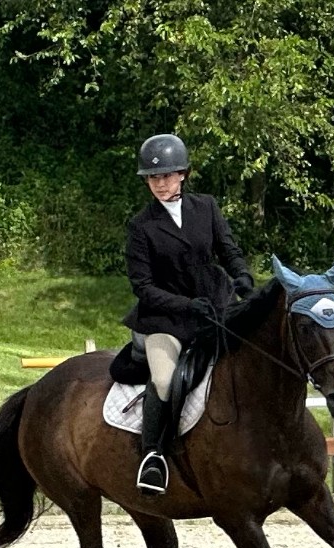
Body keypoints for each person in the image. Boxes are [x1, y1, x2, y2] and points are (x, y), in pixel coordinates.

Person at [122, 133, 254, 495]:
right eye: (152, 178)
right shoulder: (140, 226)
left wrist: (242, 277)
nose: (159, 184)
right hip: (164, 320)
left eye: (165, 176)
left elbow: (228, 250)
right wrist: (185, 305)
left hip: (214, 309)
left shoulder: (206, 207)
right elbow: (143, 287)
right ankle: (153, 457)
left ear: (183, 174)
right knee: (165, 380)